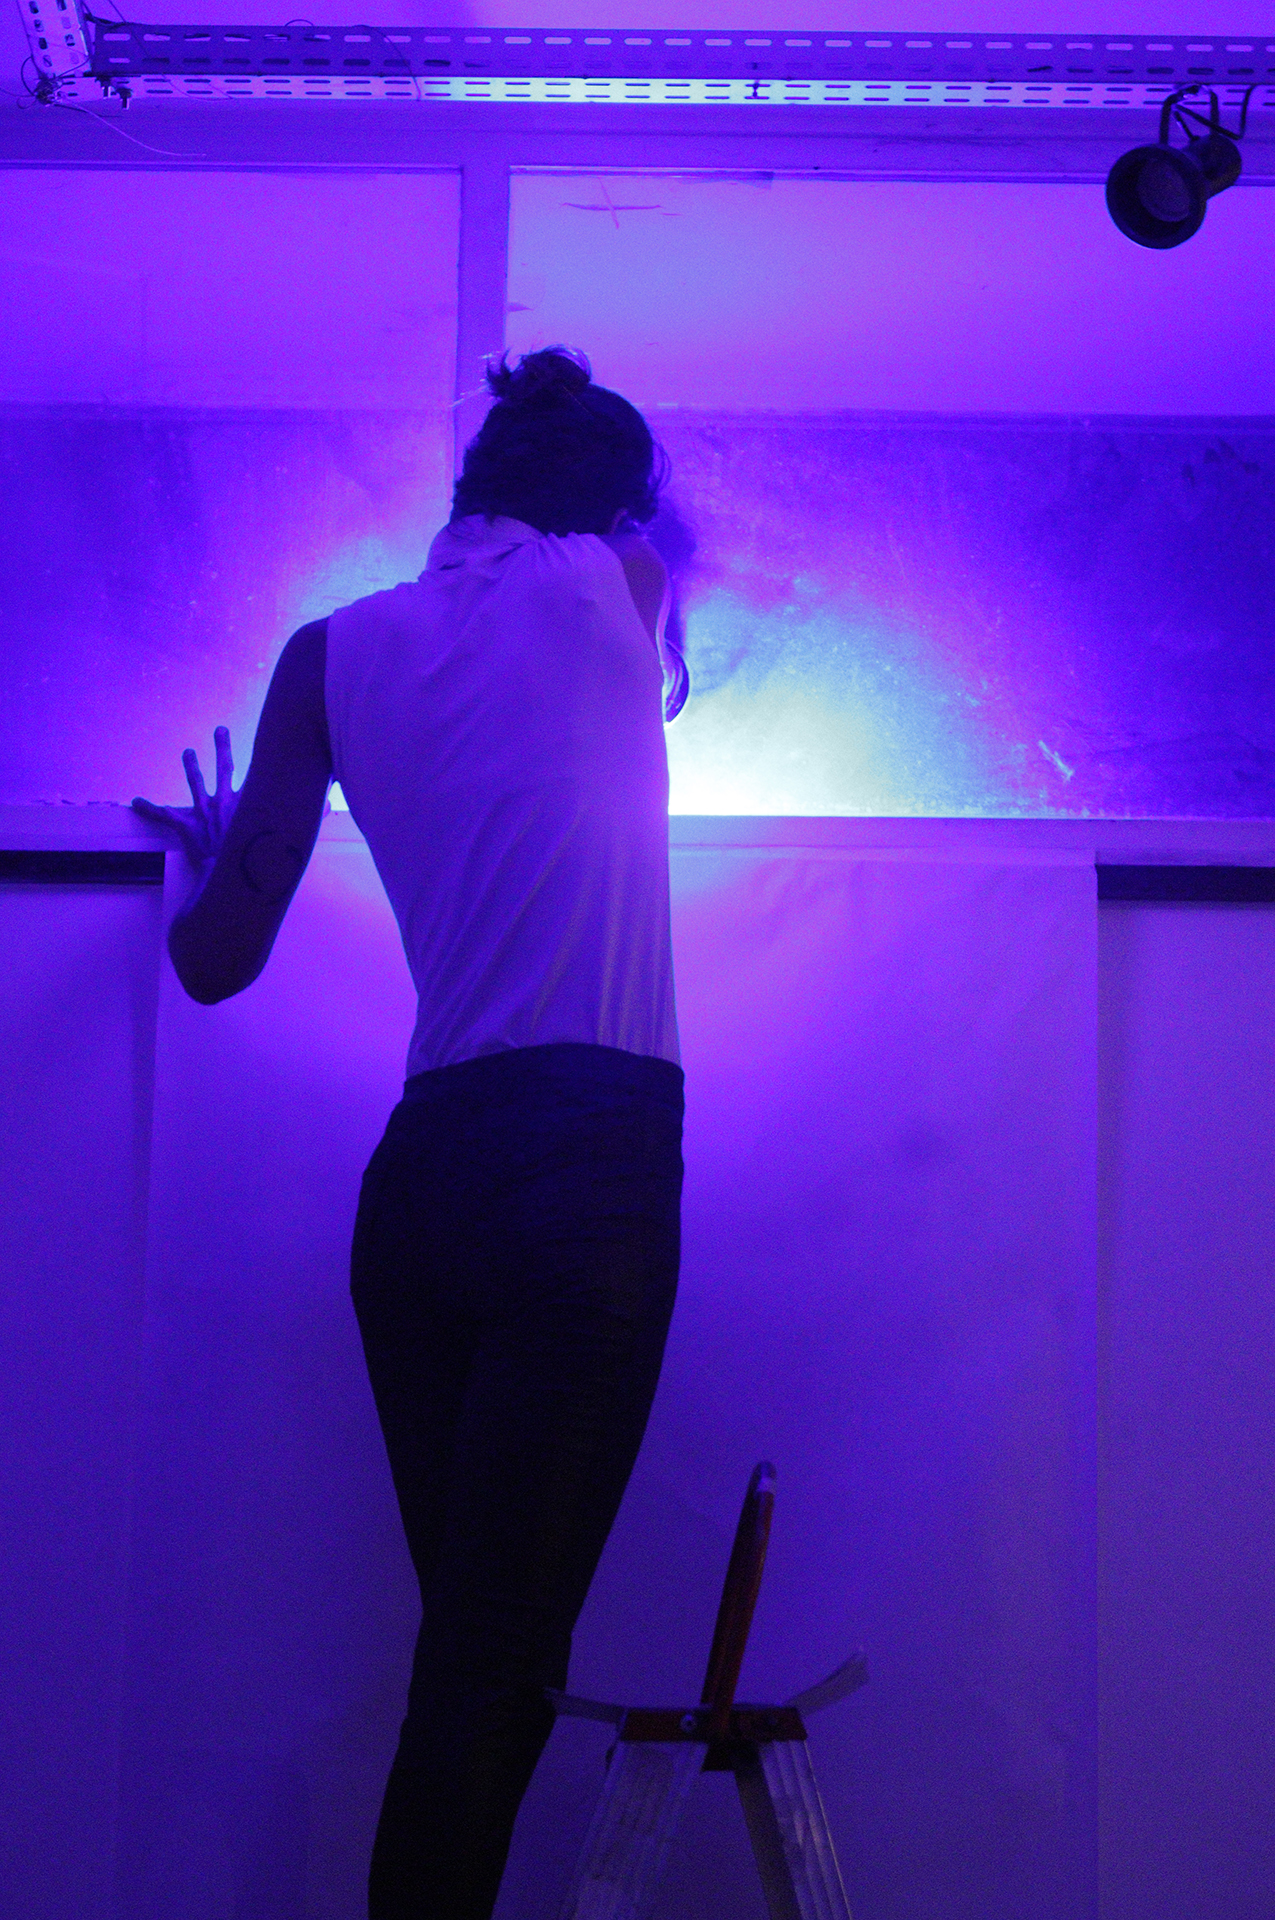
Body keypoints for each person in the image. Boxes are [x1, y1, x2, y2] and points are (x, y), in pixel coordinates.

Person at [132, 346, 688, 1920]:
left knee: (472, 1656)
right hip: (589, 1166)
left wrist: (216, 862)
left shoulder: (327, 654)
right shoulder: (625, 588)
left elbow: (214, 963)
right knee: (492, 1667)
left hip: (428, 1179)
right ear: (613, 506)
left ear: (471, 488)